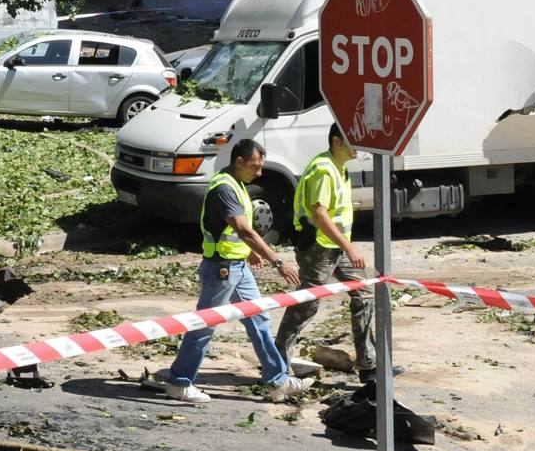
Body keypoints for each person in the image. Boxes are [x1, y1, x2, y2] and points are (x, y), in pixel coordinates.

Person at [165, 139, 309, 404]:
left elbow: (233, 230)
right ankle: (179, 383)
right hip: (221, 270)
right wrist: (278, 262)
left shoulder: (238, 184)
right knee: (204, 326)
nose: (260, 173)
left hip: (237, 268)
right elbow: (243, 230)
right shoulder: (224, 188)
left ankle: (277, 382)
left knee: (259, 320)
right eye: (255, 167)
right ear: (239, 162)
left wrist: (249, 253)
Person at [274, 124, 401, 384]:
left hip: (334, 246)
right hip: (318, 248)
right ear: (336, 142)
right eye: (352, 142)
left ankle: (369, 365)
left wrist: (344, 246)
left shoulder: (338, 168)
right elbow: (320, 214)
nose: (358, 148)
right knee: (307, 304)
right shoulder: (323, 169)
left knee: (364, 293)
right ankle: (277, 364)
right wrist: (349, 247)